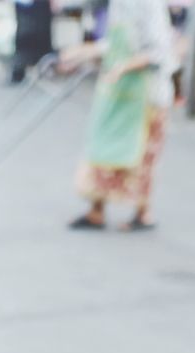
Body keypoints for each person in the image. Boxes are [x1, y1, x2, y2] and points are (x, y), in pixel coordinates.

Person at [65, 0, 176, 231]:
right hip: (117, 92)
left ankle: (143, 213)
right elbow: (117, 42)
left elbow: (159, 52)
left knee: (142, 154)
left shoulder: (150, 5)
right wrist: (84, 53)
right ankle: (96, 210)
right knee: (102, 146)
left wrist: (122, 68)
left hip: (147, 94)